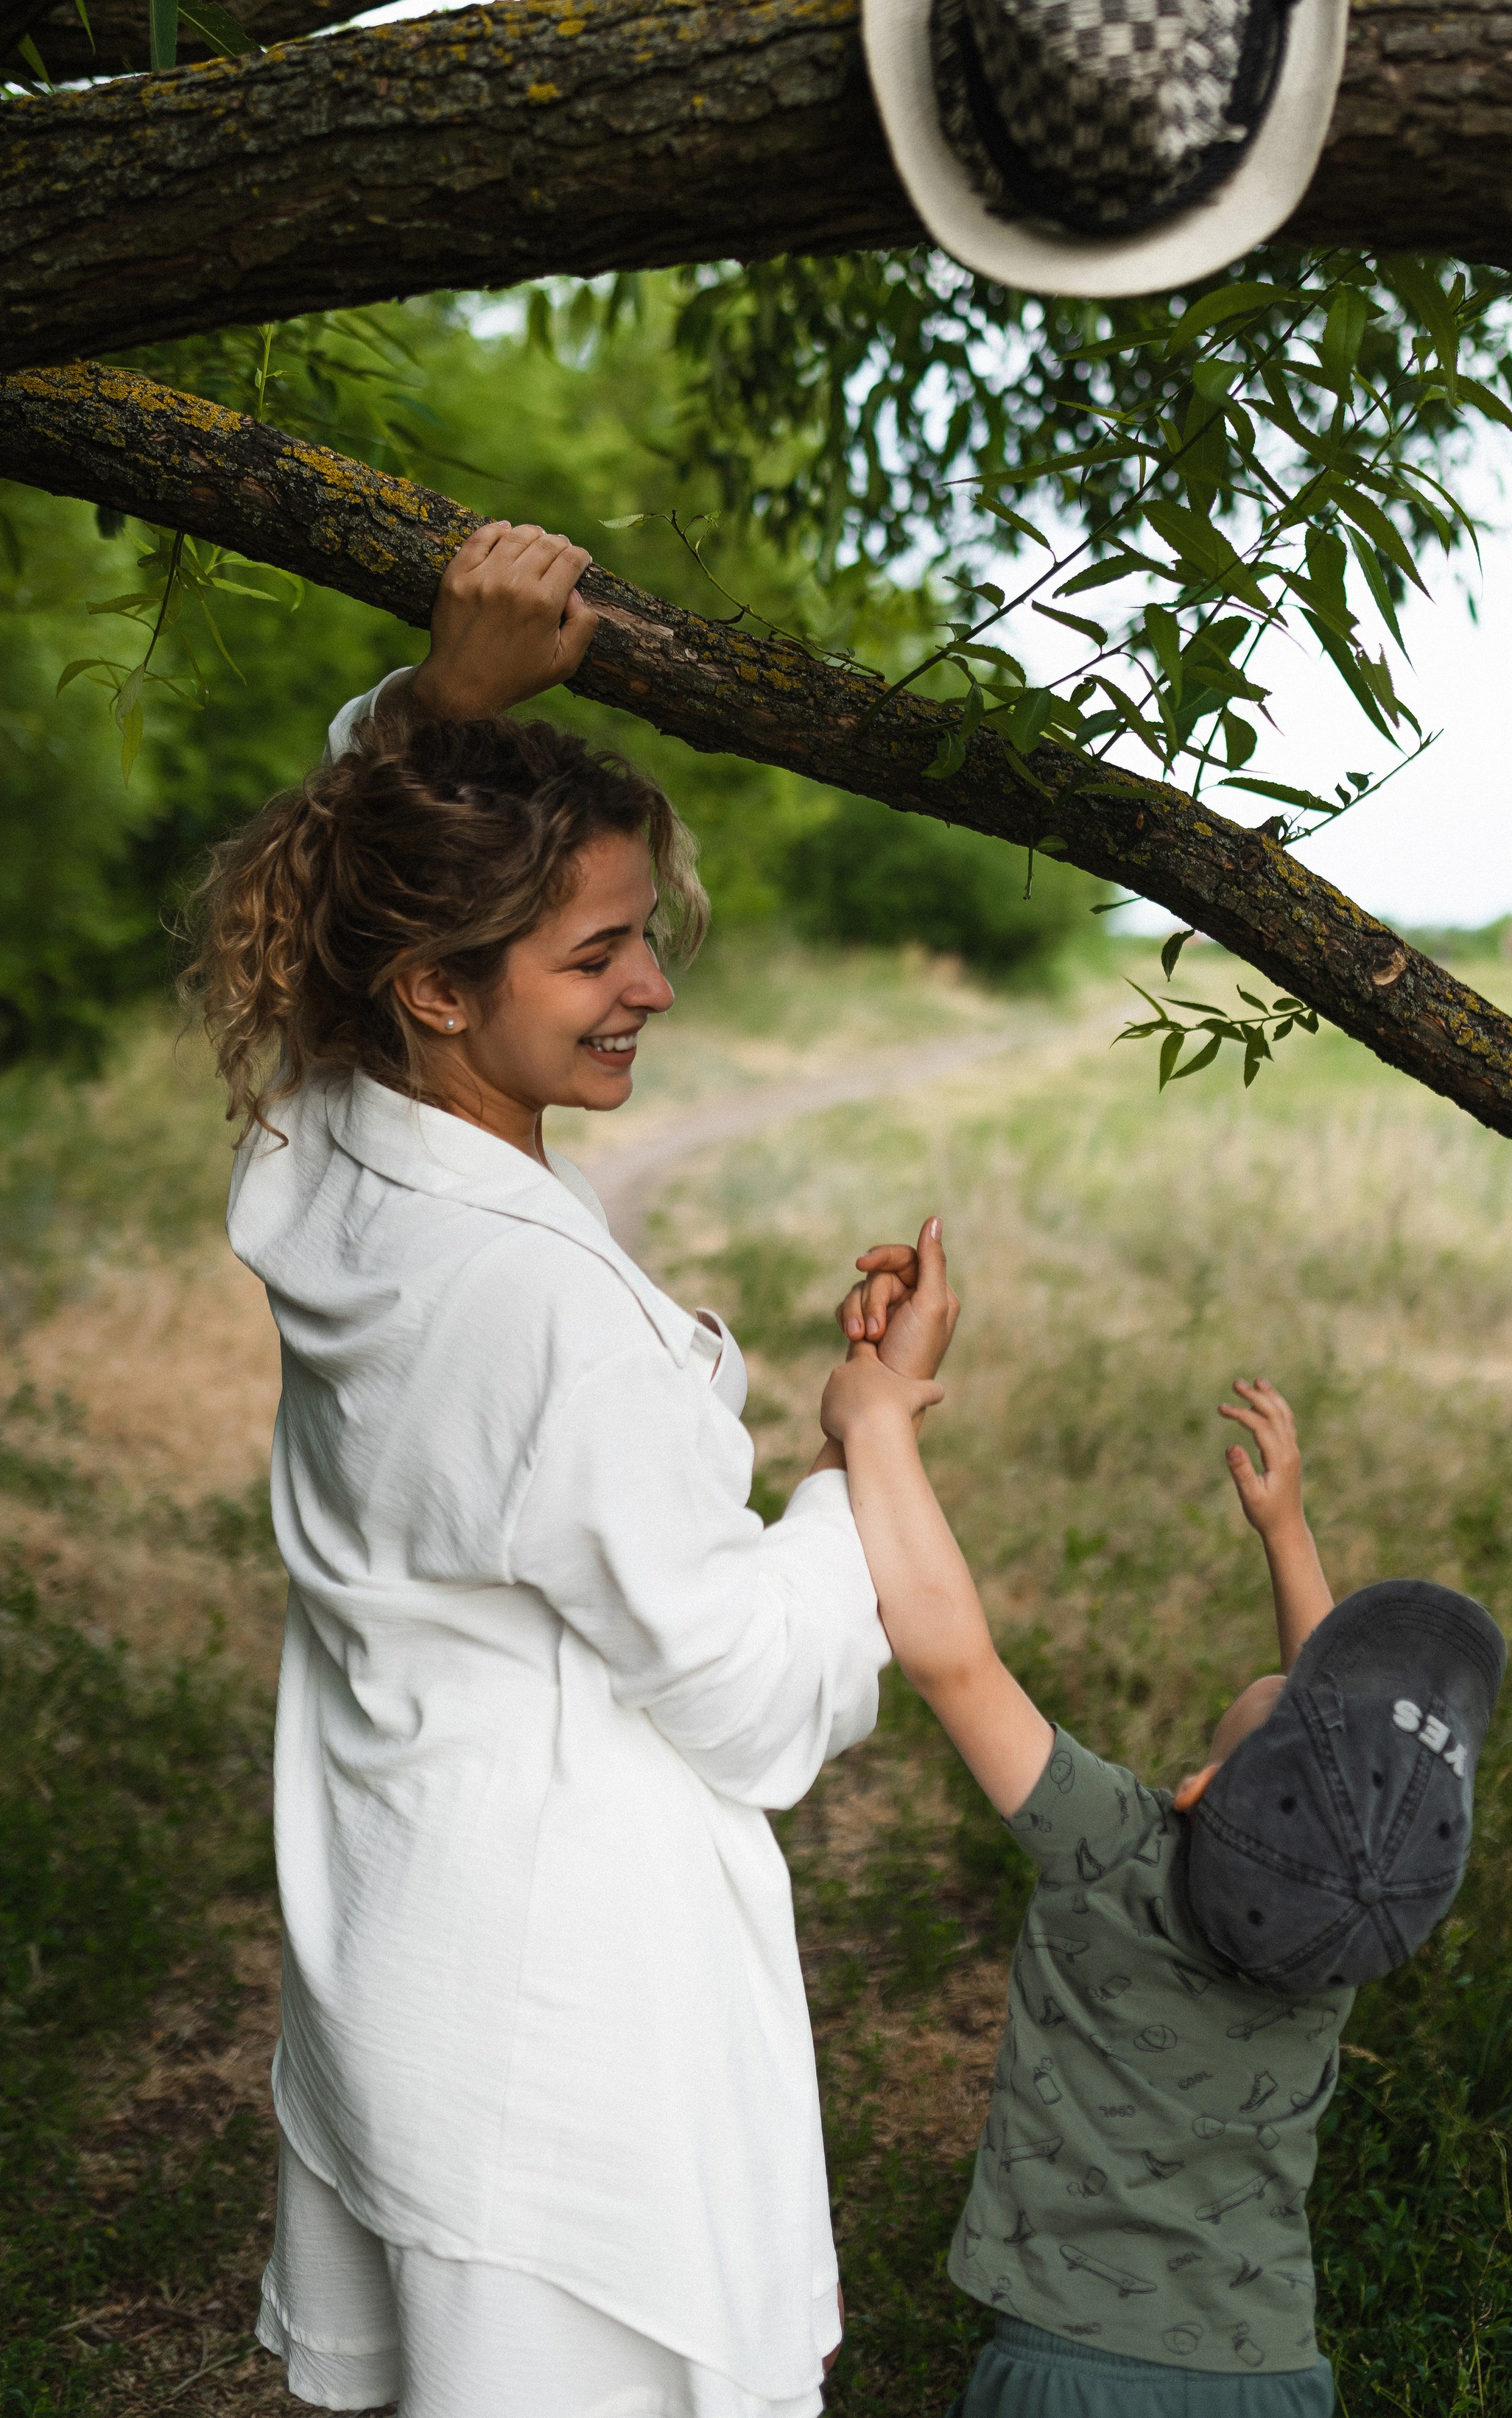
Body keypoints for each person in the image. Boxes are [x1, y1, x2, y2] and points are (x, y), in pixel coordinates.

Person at [190, 520, 958, 2418]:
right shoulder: (534, 1310)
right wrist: (861, 1449)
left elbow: (338, 888)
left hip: (406, 1920)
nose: (653, 990)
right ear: (438, 988)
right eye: (598, 951)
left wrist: (441, 708)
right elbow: (759, 1706)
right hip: (566, 2003)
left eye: (646, 939)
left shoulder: (323, 1153)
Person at [819, 1319, 1507, 2418]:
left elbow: (952, 1655)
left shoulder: (1112, 1843)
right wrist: (1286, 1533)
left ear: (1195, 1788)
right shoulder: (1340, 1936)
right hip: (1271, 2378)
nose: (1296, 1688)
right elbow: (1346, 1783)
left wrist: (873, 1425)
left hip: (1068, 2377)